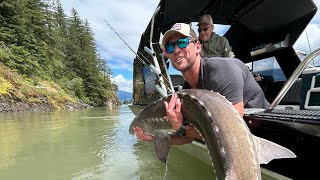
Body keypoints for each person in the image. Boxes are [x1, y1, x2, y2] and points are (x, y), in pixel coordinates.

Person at [133, 22, 269, 144]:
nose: (176, 50)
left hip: (262, 129)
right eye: (170, 47)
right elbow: (187, 138)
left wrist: (181, 127)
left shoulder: (221, 71)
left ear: (197, 46)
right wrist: (153, 138)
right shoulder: (187, 91)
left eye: (182, 42)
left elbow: (231, 132)